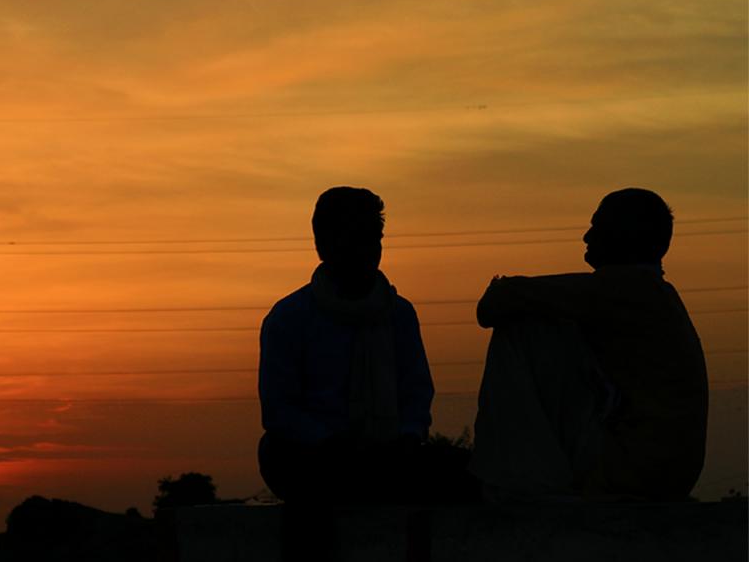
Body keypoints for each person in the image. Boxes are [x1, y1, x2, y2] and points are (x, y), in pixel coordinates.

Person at [469, 188, 708, 501]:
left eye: (597, 226)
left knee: (523, 325)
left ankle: (519, 483)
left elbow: (495, 304)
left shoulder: (627, 289)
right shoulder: (651, 295)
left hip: (633, 470)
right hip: (662, 471)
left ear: (622, 235)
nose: (586, 236)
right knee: (550, 321)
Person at [258, 186, 473, 505]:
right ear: (323, 244)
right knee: (276, 451)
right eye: (353, 237)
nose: (365, 250)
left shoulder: (399, 314)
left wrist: (407, 438)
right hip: (322, 460)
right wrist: (332, 444)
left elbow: (416, 394)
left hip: (390, 456)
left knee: (463, 468)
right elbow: (280, 412)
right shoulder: (289, 318)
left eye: (373, 237)